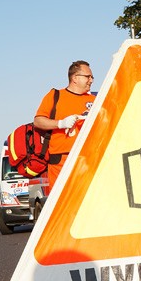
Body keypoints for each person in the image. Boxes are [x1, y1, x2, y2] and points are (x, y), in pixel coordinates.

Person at [33, 60, 97, 189]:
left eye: (92, 77)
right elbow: (38, 121)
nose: (91, 80)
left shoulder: (95, 100)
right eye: (88, 77)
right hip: (61, 161)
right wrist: (61, 123)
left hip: (88, 159)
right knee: (61, 202)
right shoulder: (55, 96)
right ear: (75, 78)